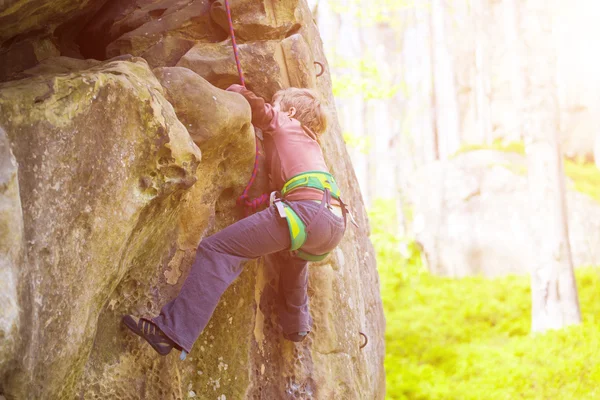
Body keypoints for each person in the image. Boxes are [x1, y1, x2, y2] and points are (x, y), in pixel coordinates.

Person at [122, 84, 347, 357]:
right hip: (333, 223)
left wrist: (238, 89)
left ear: (290, 111)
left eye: (279, 105)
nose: (275, 110)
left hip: (307, 213)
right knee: (295, 260)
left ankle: (171, 331)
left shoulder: (288, 123)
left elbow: (260, 111)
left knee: (218, 250)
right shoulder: (313, 146)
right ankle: (296, 325)